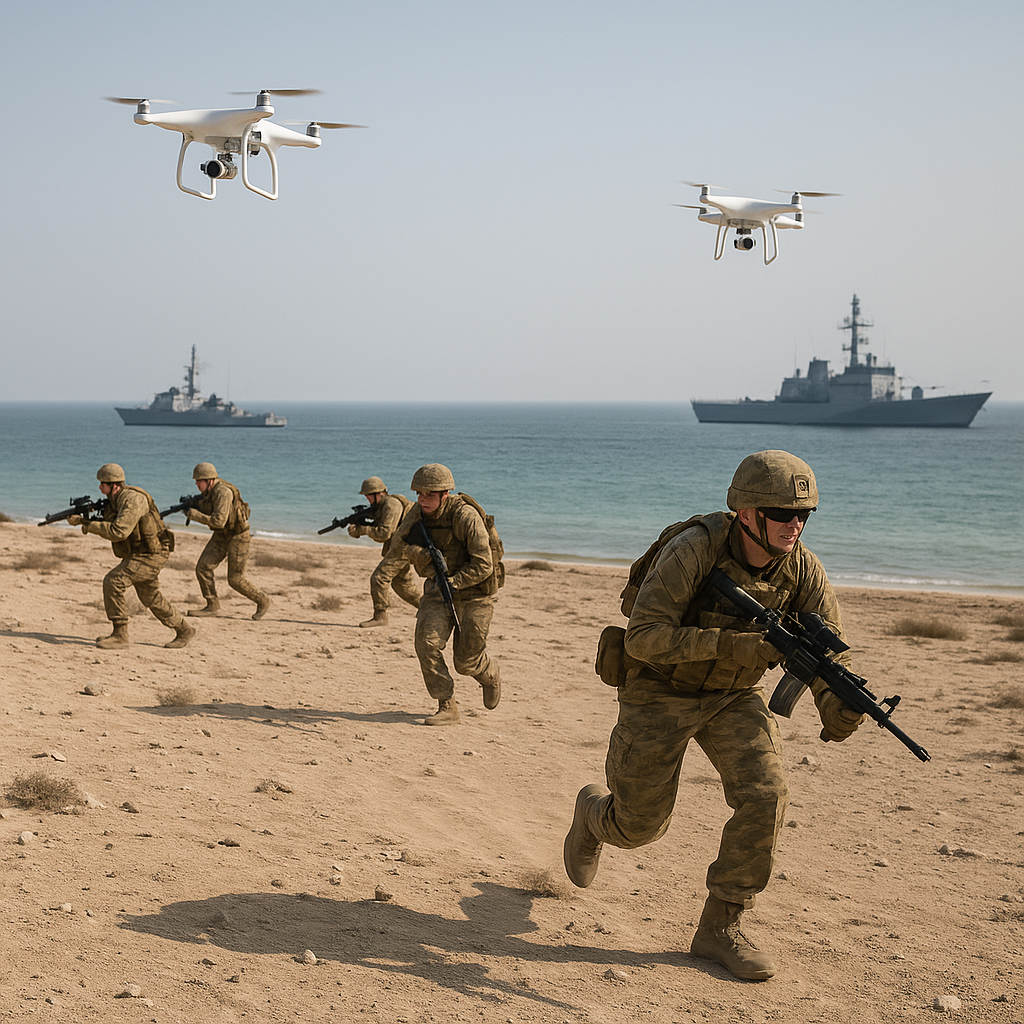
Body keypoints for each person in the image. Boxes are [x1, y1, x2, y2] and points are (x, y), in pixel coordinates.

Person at [563, 450, 865, 981]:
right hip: (658, 688)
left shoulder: (803, 570)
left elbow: (823, 654)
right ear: (748, 513)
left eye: (805, 514)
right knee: (638, 828)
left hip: (731, 696)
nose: (795, 524)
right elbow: (644, 636)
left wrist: (836, 703)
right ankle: (593, 815)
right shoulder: (693, 550)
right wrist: (738, 647)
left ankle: (720, 927)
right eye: (782, 512)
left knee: (766, 793)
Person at [398, 463, 502, 726]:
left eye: (430, 495)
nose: (423, 500)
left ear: (445, 494)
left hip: (476, 592)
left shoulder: (465, 516)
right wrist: (420, 555)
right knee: (426, 642)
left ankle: (488, 673)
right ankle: (447, 704)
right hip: (438, 589)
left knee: (466, 661)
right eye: (420, 494)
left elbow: (484, 565)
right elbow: (398, 544)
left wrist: (455, 582)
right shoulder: (417, 514)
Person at [69, 463, 195, 650]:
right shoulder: (115, 500)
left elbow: (118, 531)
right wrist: (86, 519)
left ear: (115, 485)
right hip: (140, 552)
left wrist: (87, 525)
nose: (99, 487)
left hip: (152, 553)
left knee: (113, 581)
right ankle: (184, 629)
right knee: (150, 596)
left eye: (103, 484)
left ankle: (120, 635)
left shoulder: (133, 500)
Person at [184, 463, 271, 620]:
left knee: (235, 579)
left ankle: (262, 600)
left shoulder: (223, 492)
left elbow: (218, 521)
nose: (196, 484)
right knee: (203, 568)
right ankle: (212, 605)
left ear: (209, 480)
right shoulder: (209, 492)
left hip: (238, 536)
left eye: (199, 481)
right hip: (222, 535)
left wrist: (195, 515)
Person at [346, 476, 421, 628]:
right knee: (402, 585)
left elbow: (384, 533)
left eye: (369, 495)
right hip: (401, 544)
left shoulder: (391, 504)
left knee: (379, 578)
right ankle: (429, 608)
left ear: (378, 494)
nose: (367, 498)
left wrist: (362, 529)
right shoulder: (380, 507)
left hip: (405, 545)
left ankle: (380, 616)